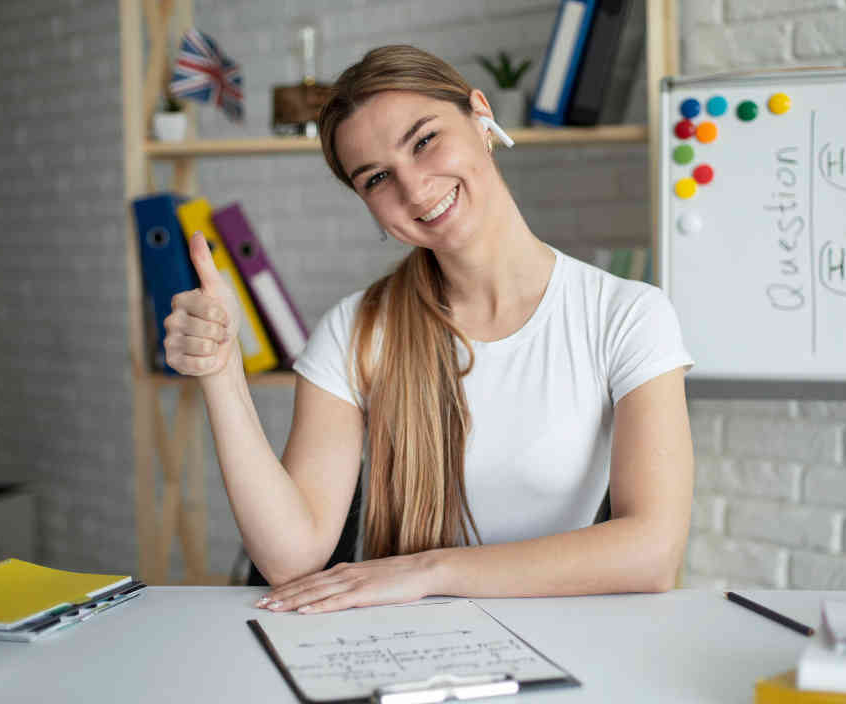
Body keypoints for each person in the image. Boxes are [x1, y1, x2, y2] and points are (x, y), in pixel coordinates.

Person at [163, 45, 694, 615]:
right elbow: (292, 558)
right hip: (401, 648)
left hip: (558, 644)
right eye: (377, 178)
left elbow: (653, 551)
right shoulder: (355, 331)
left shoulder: (627, 315)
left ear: (481, 116)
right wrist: (221, 372)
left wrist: (431, 570)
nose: (414, 190)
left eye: (424, 141)